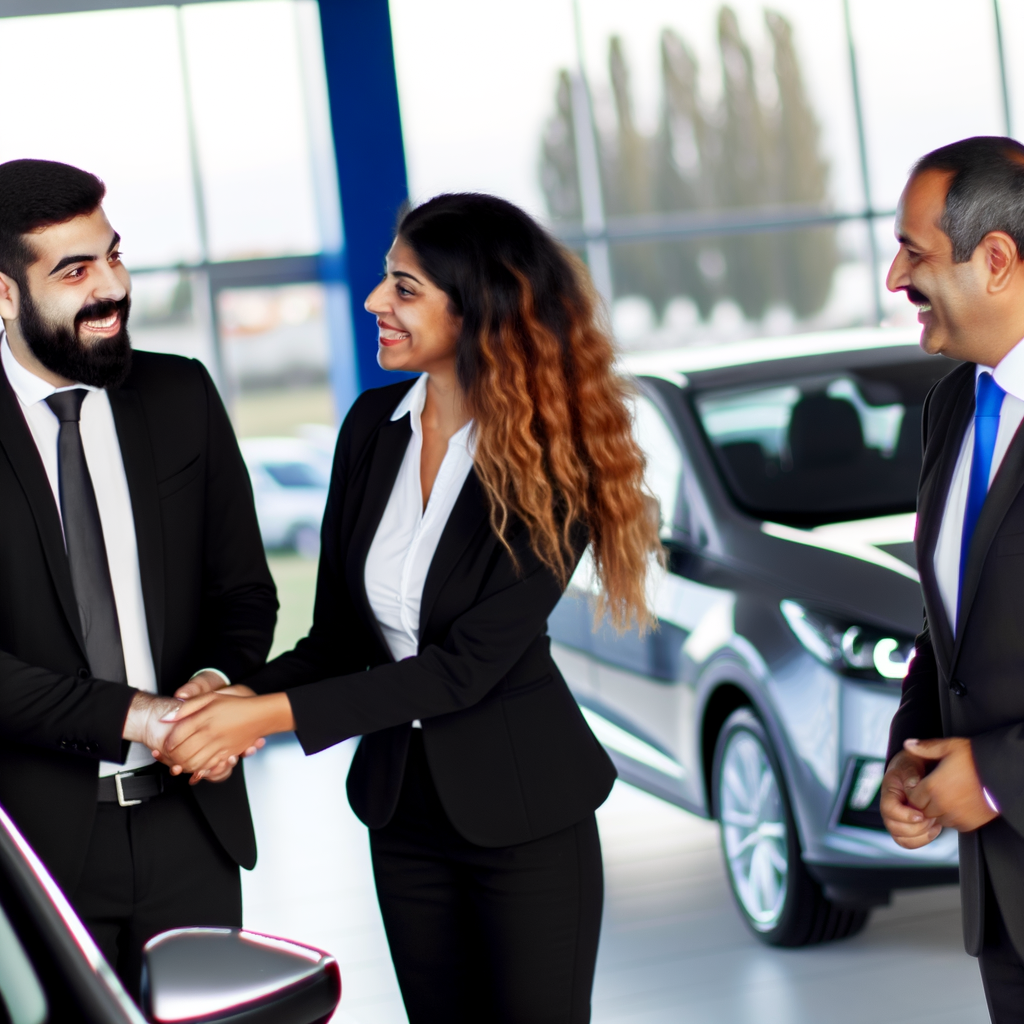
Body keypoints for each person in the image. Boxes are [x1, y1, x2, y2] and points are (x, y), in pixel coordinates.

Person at [163, 193, 662, 1023]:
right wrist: (231, 696)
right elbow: (339, 639)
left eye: (404, 288)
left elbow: (463, 670)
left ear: (479, 309)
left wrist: (263, 721)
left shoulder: (555, 461)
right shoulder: (370, 428)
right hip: (404, 812)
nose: (374, 303)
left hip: (526, 813)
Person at [0, 158, 277, 996]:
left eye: (113, 257)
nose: (111, 288)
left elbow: (245, 593)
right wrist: (140, 718)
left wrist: (213, 687)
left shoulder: (179, 395)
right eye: (75, 271)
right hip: (31, 850)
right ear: (4, 293)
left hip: (191, 830)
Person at [880, 137, 1024, 1023]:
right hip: (1004, 907)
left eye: (916, 251)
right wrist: (911, 750)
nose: (896, 277)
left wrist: (1003, 775)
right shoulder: (950, 407)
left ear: (998, 260)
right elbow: (951, 628)